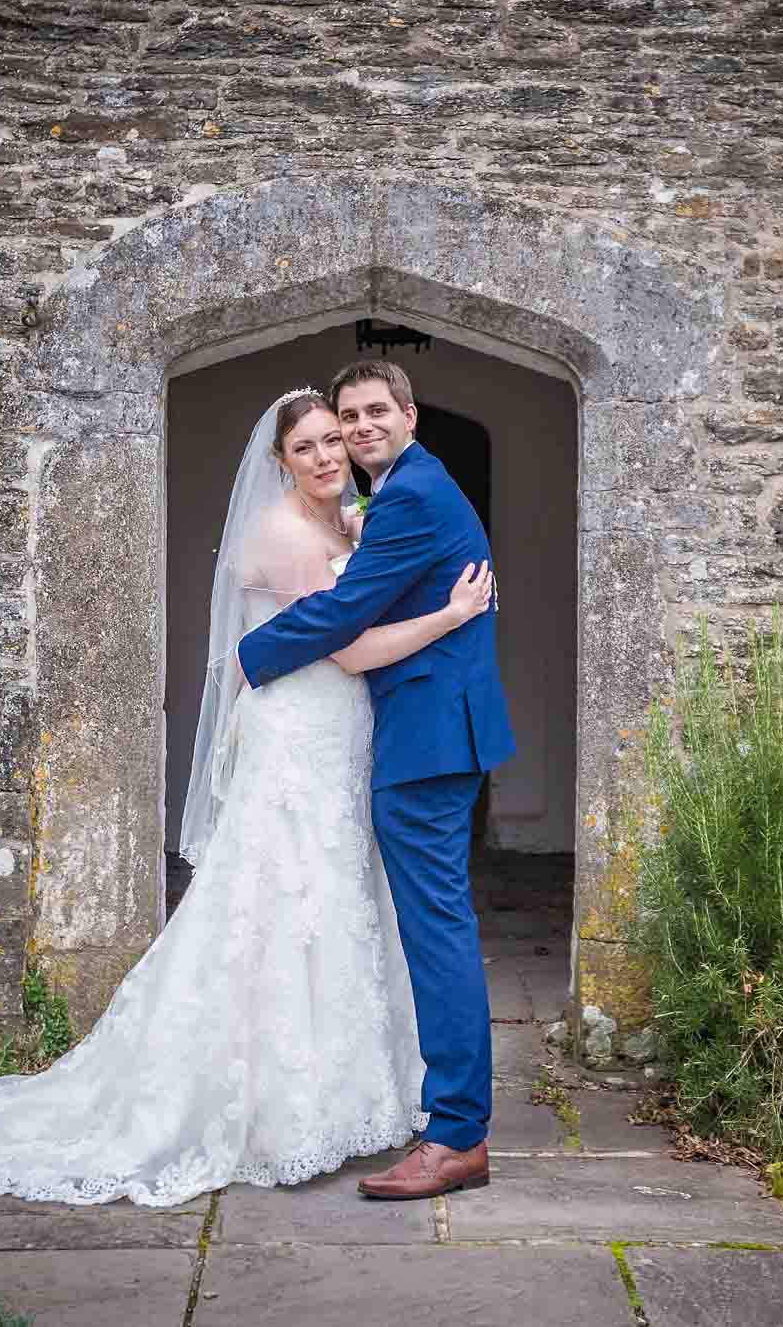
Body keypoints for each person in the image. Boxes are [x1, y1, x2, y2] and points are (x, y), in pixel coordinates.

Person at [0, 387, 495, 1207]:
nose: (336, 448)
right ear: (280, 459)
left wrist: (286, 640)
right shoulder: (303, 525)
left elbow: (347, 613)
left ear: (410, 415)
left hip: (372, 735)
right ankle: (311, 1102)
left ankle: (428, 1118)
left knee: (347, 908)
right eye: (318, 439)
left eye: (347, 430)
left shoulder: (388, 503)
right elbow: (346, 639)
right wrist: (422, 619)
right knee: (294, 906)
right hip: (314, 729)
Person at [238, 359, 514, 1201]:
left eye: (369, 414)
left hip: (426, 740)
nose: (357, 430)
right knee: (432, 928)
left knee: (436, 933)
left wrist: (253, 656)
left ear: (410, 415)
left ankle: (458, 1134)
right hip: (424, 732)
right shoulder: (401, 491)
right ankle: (448, 1119)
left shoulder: (410, 496)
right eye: (344, 418)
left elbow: (341, 612)